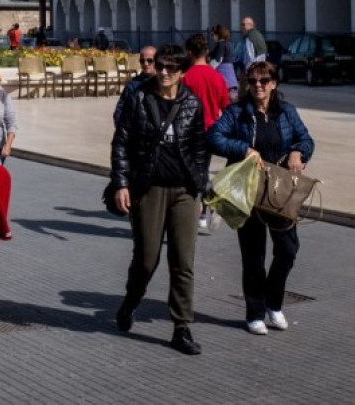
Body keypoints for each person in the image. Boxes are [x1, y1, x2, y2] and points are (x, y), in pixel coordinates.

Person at [110, 44, 208, 355]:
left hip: (184, 192)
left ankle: (181, 327)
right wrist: (121, 183)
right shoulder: (139, 97)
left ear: (181, 72)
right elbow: (121, 143)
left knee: (183, 261)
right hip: (148, 190)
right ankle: (131, 301)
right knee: (147, 259)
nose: (162, 72)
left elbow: (199, 150)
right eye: (160, 66)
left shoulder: (192, 103)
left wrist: (201, 188)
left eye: (170, 68)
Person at [207, 61, 314, 336]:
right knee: (253, 254)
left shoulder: (286, 112)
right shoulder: (237, 112)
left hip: (280, 191)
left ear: (274, 84)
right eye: (253, 81)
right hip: (249, 190)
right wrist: (243, 148)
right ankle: (254, 312)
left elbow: (306, 139)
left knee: (288, 249)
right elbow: (214, 136)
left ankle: (273, 302)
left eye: (264, 81)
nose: (258, 86)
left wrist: (298, 152)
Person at [182, 33, 230, 233]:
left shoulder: (186, 78)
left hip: (190, 133)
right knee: (203, 168)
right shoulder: (217, 77)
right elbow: (226, 108)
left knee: (191, 172)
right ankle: (205, 205)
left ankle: (199, 210)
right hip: (210, 131)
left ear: (189, 53)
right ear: (207, 52)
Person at [112, 45, 156, 126]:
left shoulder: (164, 84)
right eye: (142, 61)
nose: (146, 64)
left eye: (150, 60)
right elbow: (120, 111)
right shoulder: (132, 86)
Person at [210, 24, 239, 102]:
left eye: (213, 34)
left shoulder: (220, 44)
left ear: (218, 34)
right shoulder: (228, 44)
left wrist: (208, 68)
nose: (212, 36)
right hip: (230, 76)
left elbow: (218, 59)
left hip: (224, 75)